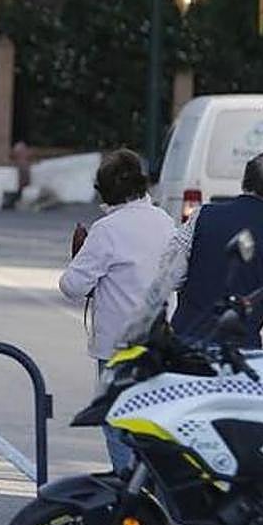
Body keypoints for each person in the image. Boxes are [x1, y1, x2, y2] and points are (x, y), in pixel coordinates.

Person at [58, 149, 176, 471]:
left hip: (118, 347)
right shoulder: (166, 223)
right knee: (152, 425)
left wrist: (79, 255)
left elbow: (72, 286)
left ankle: (129, 495)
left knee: (118, 423)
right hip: (160, 342)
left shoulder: (107, 230)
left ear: (105, 191)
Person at [125, 152, 263, 351]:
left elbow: (168, 274)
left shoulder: (202, 216)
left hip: (186, 346)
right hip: (242, 355)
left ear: (245, 180)